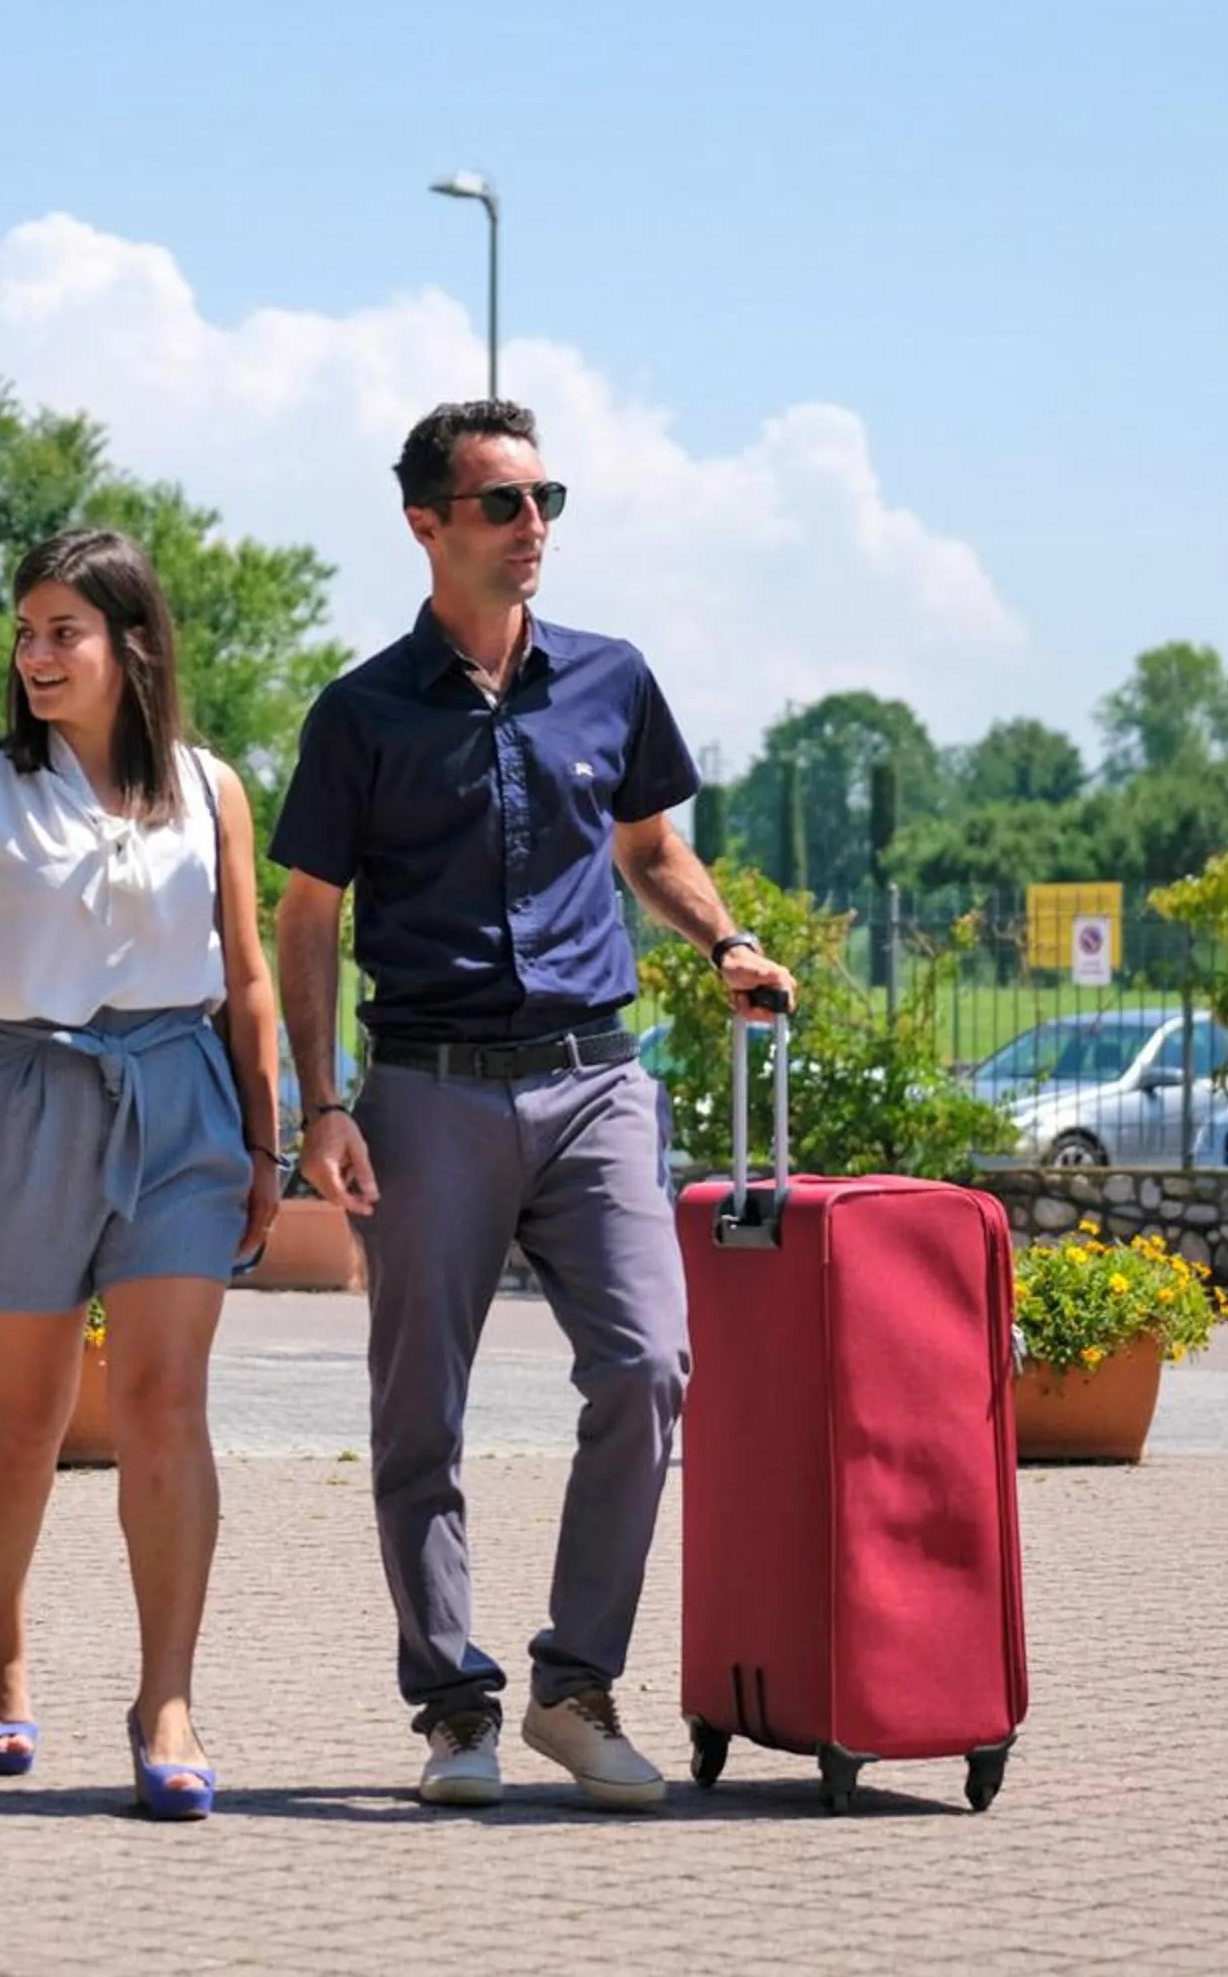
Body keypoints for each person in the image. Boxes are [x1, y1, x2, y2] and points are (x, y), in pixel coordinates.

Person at [271, 399, 797, 1812]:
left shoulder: (611, 681)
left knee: (647, 1367)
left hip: (595, 1080)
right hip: (426, 1092)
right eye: (502, 503)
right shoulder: (360, 712)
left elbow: (650, 847)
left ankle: (573, 1688)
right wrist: (320, 1105)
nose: (533, 526)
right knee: (417, 1414)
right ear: (428, 526)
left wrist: (724, 941)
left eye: (545, 498)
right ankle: (455, 1711)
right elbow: (307, 921)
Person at [0, 526, 281, 1821]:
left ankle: (168, 1699)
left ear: (131, 646)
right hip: (21, 1093)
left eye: (61, 631)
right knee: (21, 1419)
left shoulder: (213, 788)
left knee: (164, 1404)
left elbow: (247, 974)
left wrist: (269, 1139)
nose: (34, 655)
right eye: (23, 632)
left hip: (180, 1101)